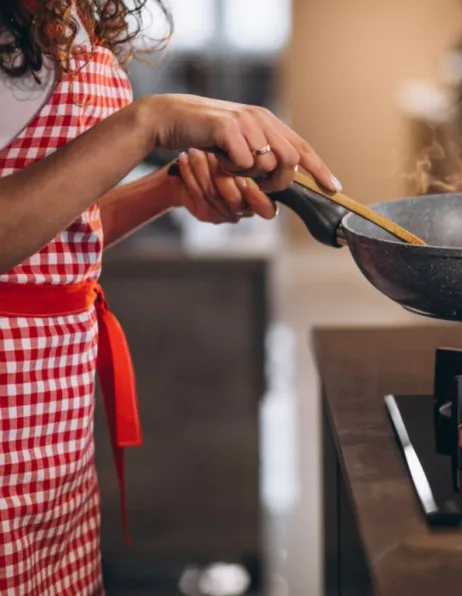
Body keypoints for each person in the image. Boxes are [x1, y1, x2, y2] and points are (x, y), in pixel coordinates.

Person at [0, 1, 339, 592]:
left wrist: (170, 188)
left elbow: (48, 238)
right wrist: (147, 123)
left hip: (54, 429)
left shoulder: (62, 14)